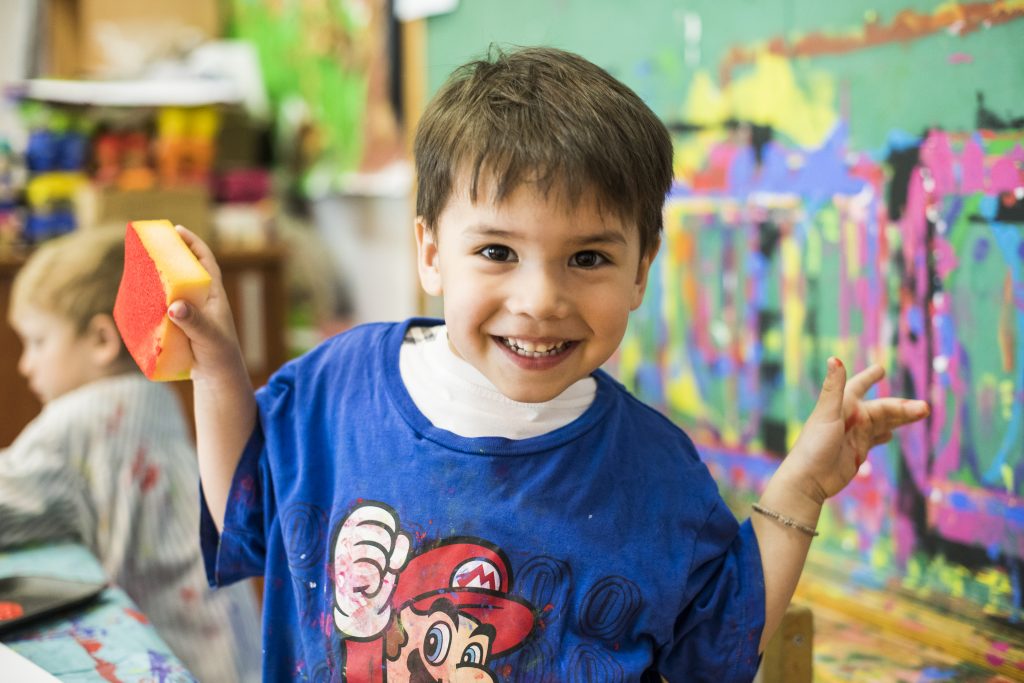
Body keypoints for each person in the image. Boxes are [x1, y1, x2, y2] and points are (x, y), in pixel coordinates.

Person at [171, 46, 930, 681]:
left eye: (588, 257)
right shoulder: (335, 390)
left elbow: (720, 642)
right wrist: (215, 365)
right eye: (497, 251)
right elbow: (245, 505)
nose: (540, 299)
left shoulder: (656, 473)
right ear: (431, 249)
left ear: (642, 269)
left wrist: (801, 486)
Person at [2, 226, 261, 682]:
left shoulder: (86, 415)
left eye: (38, 342)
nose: (26, 364)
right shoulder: (153, 399)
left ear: (101, 340)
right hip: (236, 660)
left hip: (175, 662)